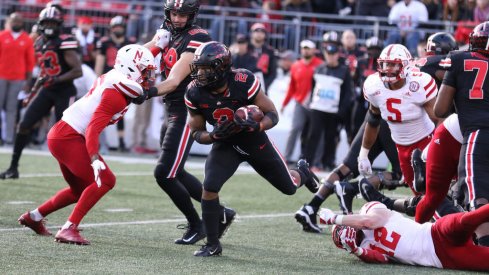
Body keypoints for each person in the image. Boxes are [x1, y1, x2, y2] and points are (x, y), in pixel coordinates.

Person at [185, 41, 319, 256]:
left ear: (221, 68)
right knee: (209, 187)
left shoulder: (243, 80)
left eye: (205, 68)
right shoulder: (194, 92)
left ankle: (302, 172)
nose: (200, 73)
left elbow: (272, 114)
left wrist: (258, 125)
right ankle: (212, 244)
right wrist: (212, 135)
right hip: (226, 143)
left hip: (254, 140)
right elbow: (196, 132)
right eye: (198, 67)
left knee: (289, 188)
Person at [17, 44, 154, 245]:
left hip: (63, 133)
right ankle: (68, 228)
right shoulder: (115, 94)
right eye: (144, 70)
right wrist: (94, 157)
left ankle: (34, 217)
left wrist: (158, 45)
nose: (147, 76)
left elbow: (136, 60)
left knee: (80, 189)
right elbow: (92, 129)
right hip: (69, 136)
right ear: (131, 68)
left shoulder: (117, 78)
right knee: (106, 180)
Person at [144, 0, 234, 245]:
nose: (178, 18)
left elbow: (173, 82)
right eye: (174, 12)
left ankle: (198, 223)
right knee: (176, 170)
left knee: (164, 173)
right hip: (172, 109)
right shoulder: (166, 30)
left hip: (186, 110)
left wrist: (142, 92)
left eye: (184, 14)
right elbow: (142, 55)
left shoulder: (197, 36)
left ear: (193, 15)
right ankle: (221, 214)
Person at [0, 7, 82, 180]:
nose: (50, 26)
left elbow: (77, 71)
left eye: (53, 22)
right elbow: (45, 73)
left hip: (65, 91)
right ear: (40, 24)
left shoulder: (65, 41)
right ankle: (13, 168)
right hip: (48, 89)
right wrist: (32, 93)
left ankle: (77, 171)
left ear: (59, 24)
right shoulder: (39, 42)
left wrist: (57, 80)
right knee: (24, 125)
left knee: (65, 133)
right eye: (47, 23)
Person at [434, 21, 489, 246]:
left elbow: (440, 109)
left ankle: (485, 246)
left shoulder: (457, 59)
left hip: (477, 136)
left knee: (476, 193)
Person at [359, 44, 439, 196]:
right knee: (419, 195)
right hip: (401, 147)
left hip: (426, 140)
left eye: (393, 65)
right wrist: (363, 154)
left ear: (406, 66)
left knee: (438, 191)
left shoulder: (419, 83)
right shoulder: (373, 85)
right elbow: (373, 120)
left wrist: (434, 144)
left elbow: (440, 119)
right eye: (385, 64)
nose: (388, 69)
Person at [320, 201, 489, 271]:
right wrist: (355, 250)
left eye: (344, 229)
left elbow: (370, 221)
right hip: (442, 258)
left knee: (471, 218)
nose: (348, 233)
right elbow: (381, 259)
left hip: (434, 233)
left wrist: (335, 218)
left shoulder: (369, 209)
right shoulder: (364, 249)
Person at [303, 43, 353, 172]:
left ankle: (328, 163)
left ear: (337, 55)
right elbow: (313, 87)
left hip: (333, 110)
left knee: (331, 138)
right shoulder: (319, 69)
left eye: (333, 54)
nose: (330, 57)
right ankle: (307, 162)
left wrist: (341, 110)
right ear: (325, 54)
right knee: (312, 136)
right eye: (328, 54)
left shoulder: (344, 71)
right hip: (317, 108)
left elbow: (348, 93)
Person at [95, 15, 136, 152]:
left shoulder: (130, 43)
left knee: (120, 111)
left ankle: (121, 142)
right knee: (102, 111)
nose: (118, 29)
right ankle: (97, 140)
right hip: (108, 80)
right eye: (116, 27)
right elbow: (100, 62)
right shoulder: (105, 43)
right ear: (111, 29)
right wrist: (98, 79)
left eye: (120, 27)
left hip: (123, 82)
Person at [281, 40, 323, 164]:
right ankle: (286, 158)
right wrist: (285, 103)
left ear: (314, 50)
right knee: (294, 129)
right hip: (300, 103)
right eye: (303, 48)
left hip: (316, 105)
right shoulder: (296, 65)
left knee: (316, 133)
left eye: (308, 48)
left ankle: (316, 161)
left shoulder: (320, 65)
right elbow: (292, 87)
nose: (305, 50)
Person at [0, 12, 35, 145]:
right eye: (14, 21)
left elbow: (30, 62)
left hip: (17, 78)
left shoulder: (26, 39)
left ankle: (8, 138)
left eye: (19, 22)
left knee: (11, 109)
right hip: (1, 76)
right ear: (10, 22)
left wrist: (28, 81)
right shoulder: (2, 36)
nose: (16, 24)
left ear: (22, 23)